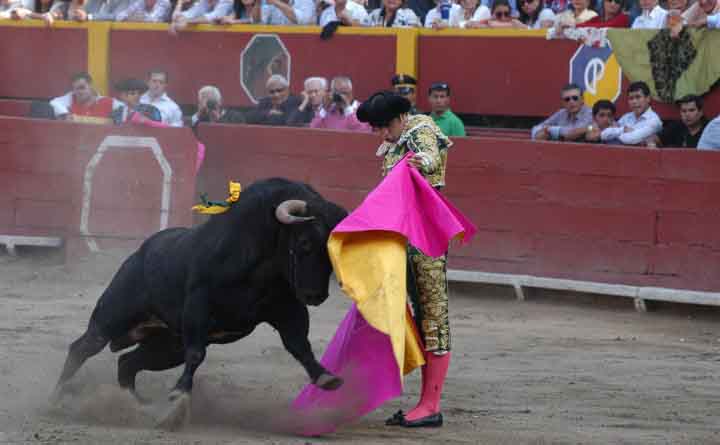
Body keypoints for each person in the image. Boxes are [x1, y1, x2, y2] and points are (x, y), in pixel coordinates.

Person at [357, 91, 452, 429]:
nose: (383, 134)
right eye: (377, 129)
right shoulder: (396, 142)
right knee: (411, 311)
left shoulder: (420, 127)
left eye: (385, 127)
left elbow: (430, 158)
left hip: (426, 237)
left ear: (400, 118)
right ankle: (423, 400)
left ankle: (431, 405)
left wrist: (417, 161)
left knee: (432, 314)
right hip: (403, 238)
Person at [600, 81, 662, 146]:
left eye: (638, 97)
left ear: (648, 98)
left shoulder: (654, 120)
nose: (634, 101)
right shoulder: (626, 117)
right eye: (631, 98)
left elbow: (630, 139)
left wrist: (615, 132)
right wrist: (623, 129)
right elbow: (604, 134)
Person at [49, 72, 124, 124]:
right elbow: (54, 102)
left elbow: (127, 110)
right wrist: (65, 115)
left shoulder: (109, 102)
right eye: (75, 89)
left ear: (91, 86)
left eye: (82, 87)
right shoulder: (71, 98)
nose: (79, 92)